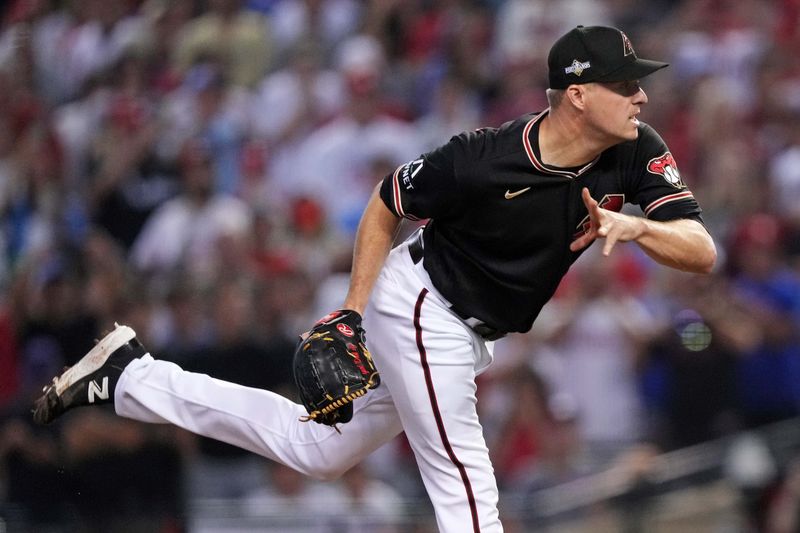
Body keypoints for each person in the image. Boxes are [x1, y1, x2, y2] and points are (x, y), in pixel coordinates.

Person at [32, 26, 716, 532]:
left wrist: (641, 229)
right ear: (577, 94)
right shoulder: (482, 159)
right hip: (422, 306)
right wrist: (353, 311)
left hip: (470, 329)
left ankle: (131, 378)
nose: (641, 94)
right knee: (466, 486)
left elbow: (701, 249)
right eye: (625, 83)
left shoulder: (636, 150)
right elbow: (387, 201)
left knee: (316, 449)